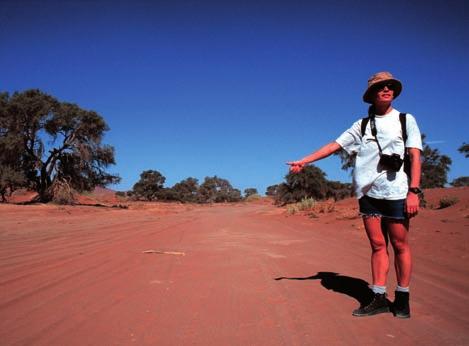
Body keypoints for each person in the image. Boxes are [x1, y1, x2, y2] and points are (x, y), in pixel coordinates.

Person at [287, 71, 422, 318]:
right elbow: (333, 146)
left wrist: (414, 190)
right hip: (368, 193)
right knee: (378, 245)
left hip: (397, 192)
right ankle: (378, 297)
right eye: (381, 87)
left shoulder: (405, 120)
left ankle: (402, 298)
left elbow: (414, 155)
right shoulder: (360, 125)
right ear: (372, 94)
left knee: (400, 245)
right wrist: (305, 161)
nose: (386, 89)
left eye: (390, 86)